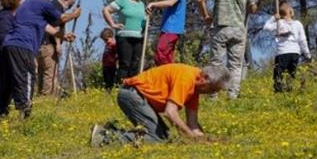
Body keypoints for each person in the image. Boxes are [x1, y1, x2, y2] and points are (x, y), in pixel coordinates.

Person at [89, 63, 230, 146]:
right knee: (156, 138)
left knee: (166, 136)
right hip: (132, 95)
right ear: (204, 78)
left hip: (141, 99)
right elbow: (170, 113)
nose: (211, 93)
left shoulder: (195, 90)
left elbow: (192, 124)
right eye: (212, 89)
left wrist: (202, 141)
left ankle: (111, 130)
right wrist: (190, 137)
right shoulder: (187, 78)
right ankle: (103, 136)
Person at [0, 0, 78, 118]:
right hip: (22, 44)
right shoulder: (41, 2)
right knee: (28, 76)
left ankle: (0, 111)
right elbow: (63, 18)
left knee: (12, 78)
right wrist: (75, 14)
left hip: (9, 44)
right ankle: (25, 112)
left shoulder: (29, 6)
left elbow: (48, 28)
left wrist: (64, 37)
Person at [196, 0, 257, 99]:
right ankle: (233, 95)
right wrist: (247, 8)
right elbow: (253, 7)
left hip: (220, 28)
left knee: (216, 64)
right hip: (238, 29)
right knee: (235, 65)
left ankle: (213, 96)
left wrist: (205, 15)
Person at [262, 1, 311, 92]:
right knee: (291, 75)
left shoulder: (278, 24)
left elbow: (266, 27)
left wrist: (273, 18)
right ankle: (289, 92)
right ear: (290, 11)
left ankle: (279, 94)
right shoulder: (297, 24)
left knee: (278, 76)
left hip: (282, 53)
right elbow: (303, 41)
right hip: (294, 53)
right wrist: (307, 54)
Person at [103, 0, 146, 79]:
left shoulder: (141, 4)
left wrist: (146, 23)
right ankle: (120, 88)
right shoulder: (123, 0)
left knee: (135, 64)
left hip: (138, 37)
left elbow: (143, 20)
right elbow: (106, 10)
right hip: (124, 37)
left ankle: (131, 89)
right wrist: (112, 24)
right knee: (125, 63)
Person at [37, 0, 77, 96]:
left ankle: (41, 97)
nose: (69, 7)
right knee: (50, 74)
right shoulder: (57, 6)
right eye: (70, 4)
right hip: (49, 44)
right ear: (66, 0)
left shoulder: (51, 5)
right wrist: (58, 44)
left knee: (42, 74)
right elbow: (56, 25)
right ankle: (47, 99)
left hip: (39, 44)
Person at [147, 0, 186, 66]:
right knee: (167, 56)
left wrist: (153, 4)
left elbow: (170, 2)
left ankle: (163, 75)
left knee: (161, 53)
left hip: (172, 28)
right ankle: (168, 77)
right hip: (168, 28)